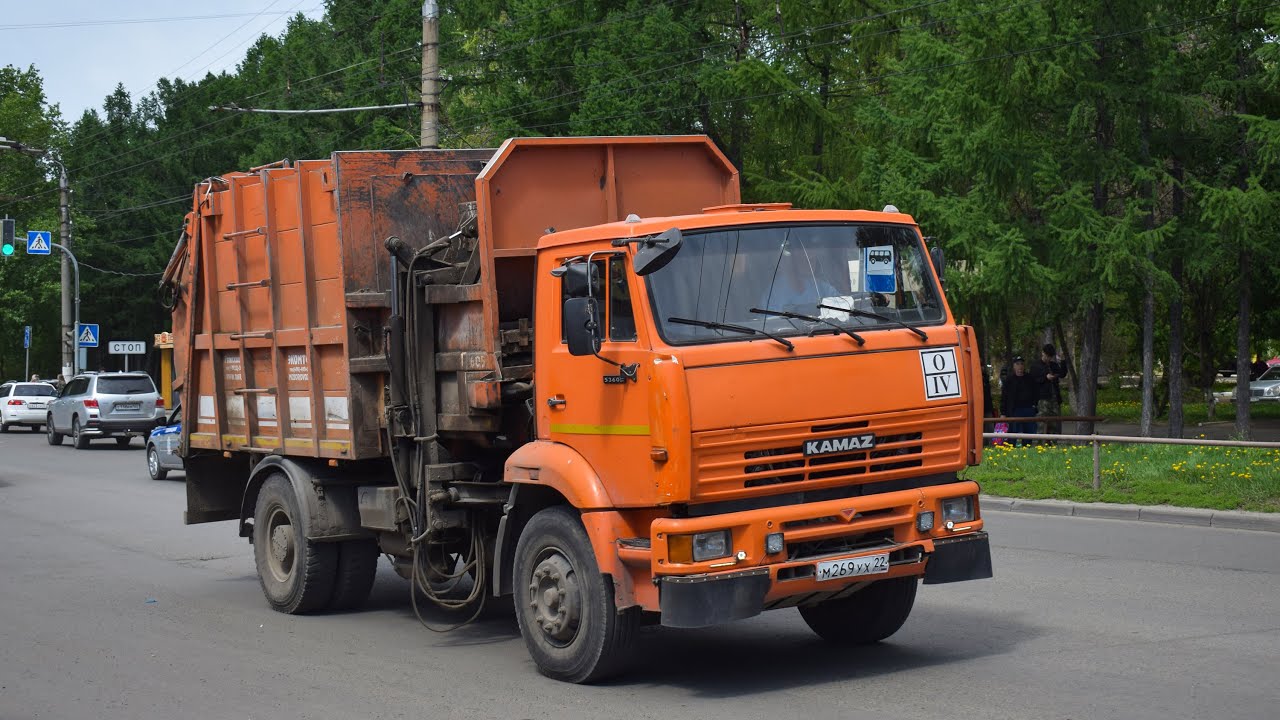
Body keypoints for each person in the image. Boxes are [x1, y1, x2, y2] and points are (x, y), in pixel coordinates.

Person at [1001, 355, 1038, 445]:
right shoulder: (1009, 380)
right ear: (1014, 366)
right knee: (1013, 432)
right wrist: (1003, 413)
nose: (1020, 366)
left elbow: (1036, 392)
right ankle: (1011, 448)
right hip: (1014, 410)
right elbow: (1004, 397)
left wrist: (1034, 405)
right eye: (1017, 364)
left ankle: (1027, 448)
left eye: (1021, 364)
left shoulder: (1030, 378)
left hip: (1028, 409)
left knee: (1028, 432)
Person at [1032, 343, 1068, 437]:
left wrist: (1063, 361)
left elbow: (1062, 374)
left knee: (1055, 423)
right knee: (1042, 423)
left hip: (1054, 398)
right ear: (1042, 353)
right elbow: (1033, 381)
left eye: (1050, 357)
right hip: (1042, 399)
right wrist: (1045, 378)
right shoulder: (1036, 366)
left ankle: (1053, 442)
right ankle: (1041, 442)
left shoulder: (1053, 365)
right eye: (1046, 356)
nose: (1048, 359)